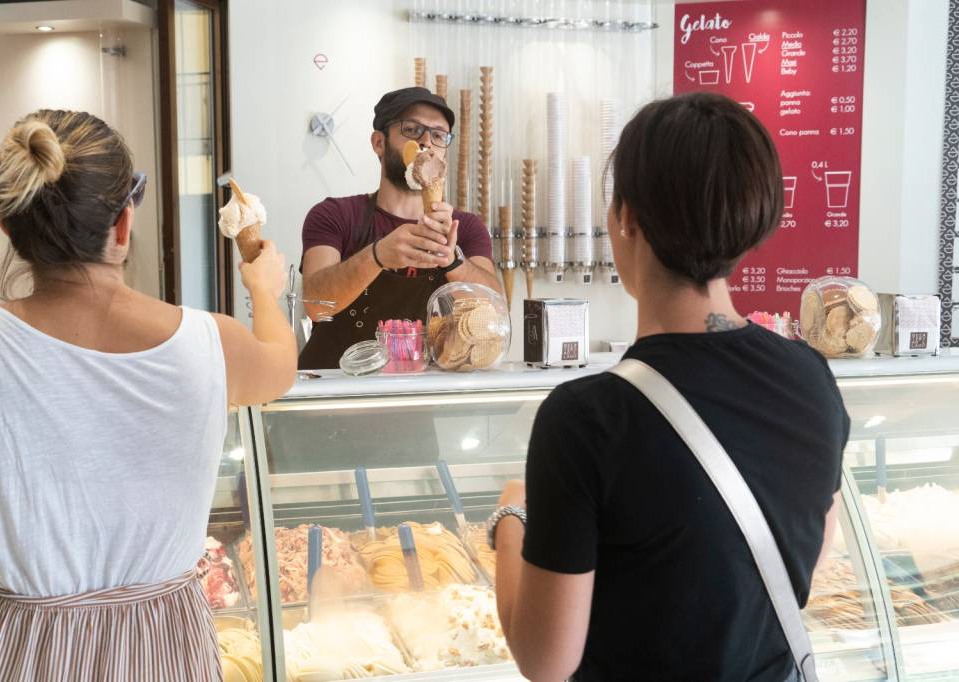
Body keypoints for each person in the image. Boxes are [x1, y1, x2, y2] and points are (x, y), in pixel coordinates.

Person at [489, 93, 849, 681]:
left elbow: (546, 661)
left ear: (625, 215)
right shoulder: (812, 376)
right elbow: (809, 553)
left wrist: (510, 518)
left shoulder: (588, 418)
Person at [0, 110, 297, 680]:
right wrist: (264, 288)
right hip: (164, 648)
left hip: (14, 651)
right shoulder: (213, 342)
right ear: (124, 224)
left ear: (7, 225)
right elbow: (281, 367)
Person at [297, 87, 501, 369]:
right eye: (412, 129)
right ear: (379, 142)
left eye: (439, 135)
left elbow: (495, 314)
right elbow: (317, 305)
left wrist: (453, 260)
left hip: (415, 397)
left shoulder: (464, 228)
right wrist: (377, 256)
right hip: (336, 393)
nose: (426, 143)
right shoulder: (335, 215)